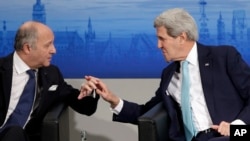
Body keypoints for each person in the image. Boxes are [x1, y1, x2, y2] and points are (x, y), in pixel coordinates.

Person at [79, 8, 250, 141]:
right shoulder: (169, 75)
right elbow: (146, 111)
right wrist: (113, 99)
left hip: (234, 134)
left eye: (162, 39)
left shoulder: (224, 57)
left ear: (181, 37)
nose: (158, 46)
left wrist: (236, 127)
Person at [0, 21, 99, 141]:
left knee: (14, 132)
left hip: (22, 137)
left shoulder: (52, 75)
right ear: (27, 48)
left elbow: (84, 107)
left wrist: (91, 92)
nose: (54, 50)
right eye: (48, 45)